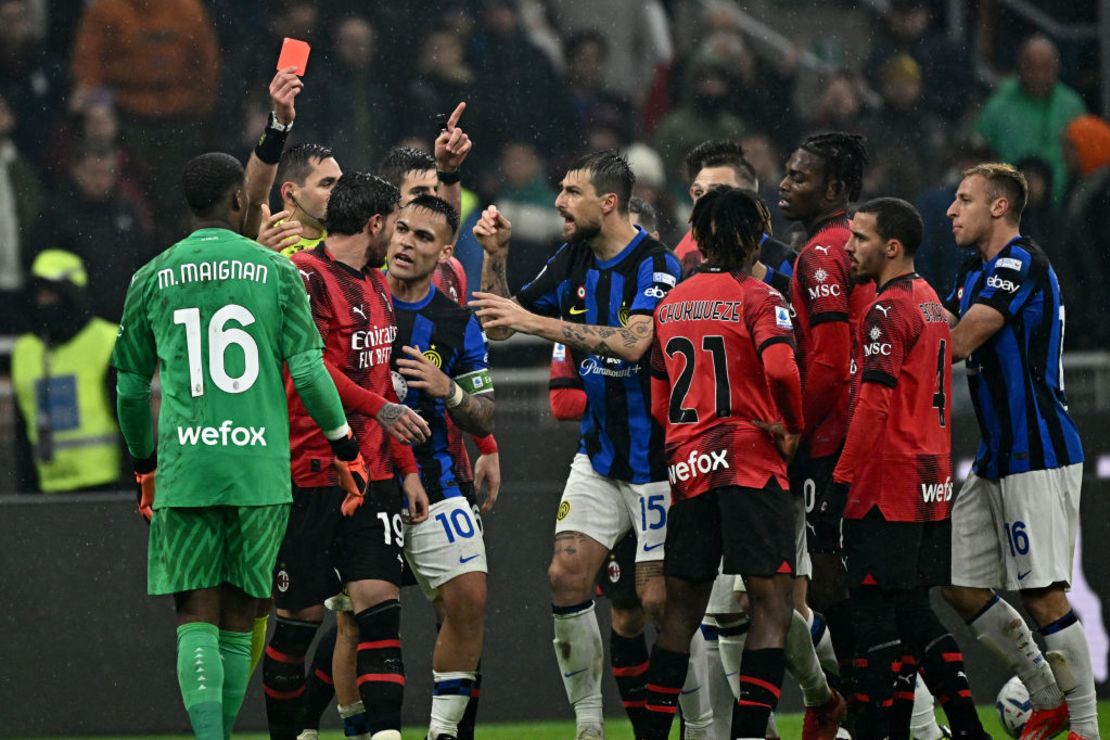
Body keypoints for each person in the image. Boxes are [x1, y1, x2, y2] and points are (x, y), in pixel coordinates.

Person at [110, 151, 368, 740]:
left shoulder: (152, 275)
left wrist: (145, 466)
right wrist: (345, 447)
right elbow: (308, 371)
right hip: (259, 470)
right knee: (241, 616)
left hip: (188, 466)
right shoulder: (278, 271)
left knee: (195, 614)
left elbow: (128, 388)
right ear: (238, 203)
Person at [470, 151, 681, 740]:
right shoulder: (573, 259)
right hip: (600, 455)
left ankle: (701, 721)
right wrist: (496, 258)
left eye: (571, 191)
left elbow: (635, 344)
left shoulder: (656, 265)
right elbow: (498, 322)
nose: (558, 202)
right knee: (565, 575)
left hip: (657, 463)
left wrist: (539, 324)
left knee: (660, 602)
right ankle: (589, 725)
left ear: (608, 202)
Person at [263, 172, 431, 740]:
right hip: (312, 472)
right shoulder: (302, 277)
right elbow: (310, 366)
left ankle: (385, 735)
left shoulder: (377, 283)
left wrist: (406, 469)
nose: (400, 239)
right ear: (375, 223)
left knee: (379, 606)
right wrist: (381, 411)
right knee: (298, 623)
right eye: (397, 225)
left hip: (377, 472)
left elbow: (383, 379)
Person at [941, 163, 1099, 740]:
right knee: (957, 580)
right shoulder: (972, 270)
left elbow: (958, 340)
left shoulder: (1020, 262)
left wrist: (888, 343)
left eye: (964, 200)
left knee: (1042, 594)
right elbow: (938, 322)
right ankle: (1042, 692)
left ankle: (1083, 727)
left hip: (1039, 452)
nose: (952, 210)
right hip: (996, 458)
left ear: (999, 207)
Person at [639, 186, 802, 739]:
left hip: (689, 468)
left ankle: (651, 733)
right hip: (750, 464)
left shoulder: (669, 304)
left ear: (701, 237)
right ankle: (751, 735)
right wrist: (793, 426)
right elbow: (781, 369)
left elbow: (660, 403)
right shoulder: (760, 297)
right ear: (755, 238)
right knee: (770, 606)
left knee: (680, 615)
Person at [834, 197, 987, 740]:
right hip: (931, 479)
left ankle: (881, 730)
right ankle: (967, 728)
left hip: (886, 483)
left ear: (891, 247)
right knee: (913, 614)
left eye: (861, 238)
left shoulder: (885, 310)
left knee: (873, 615)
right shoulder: (928, 301)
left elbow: (874, 406)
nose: (849, 247)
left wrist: (841, 481)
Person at [386, 195, 496, 740]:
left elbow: (484, 415)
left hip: (436, 479)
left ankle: (443, 733)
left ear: (446, 252)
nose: (406, 242)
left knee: (469, 594)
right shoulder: (356, 295)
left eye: (423, 237)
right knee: (351, 622)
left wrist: (449, 390)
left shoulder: (454, 323)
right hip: (364, 477)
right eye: (401, 229)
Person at [779, 131, 872, 700]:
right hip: (865, 431)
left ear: (833, 188)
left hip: (831, 439)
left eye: (799, 177)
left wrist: (797, 429)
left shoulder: (820, 253)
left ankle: (867, 707)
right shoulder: (858, 242)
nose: (786, 185)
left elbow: (833, 363)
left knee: (832, 582)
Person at [12, 249, 123, 493]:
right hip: (47, 491)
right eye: (39, 294)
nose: (44, 302)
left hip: (107, 487)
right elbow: (22, 435)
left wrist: (133, 489)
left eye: (52, 293)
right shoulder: (25, 351)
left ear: (72, 295)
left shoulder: (108, 342)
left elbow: (132, 423)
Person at [975, 36, 1086, 205]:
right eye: (1032, 67)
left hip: (1062, 207)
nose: (1039, 75)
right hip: (1011, 207)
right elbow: (978, 153)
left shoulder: (1072, 105)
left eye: (1046, 67)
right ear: (1020, 67)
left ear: (1057, 67)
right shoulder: (998, 105)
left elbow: (1083, 159)